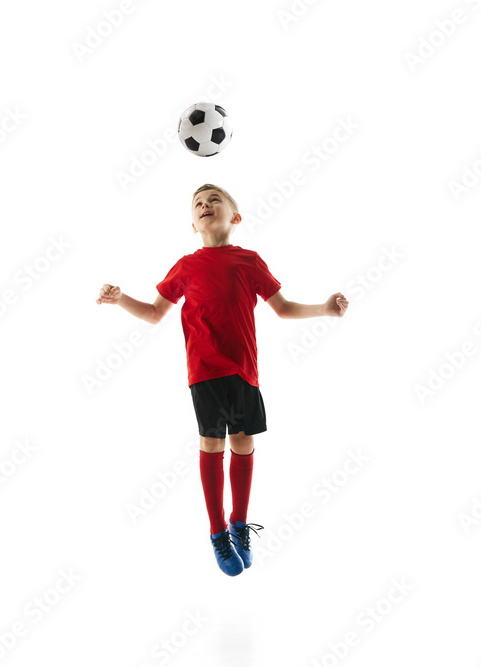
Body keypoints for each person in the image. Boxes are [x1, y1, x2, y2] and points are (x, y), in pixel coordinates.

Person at [96, 183, 348, 576]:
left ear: (235, 216)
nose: (205, 205)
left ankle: (238, 522)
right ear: (193, 224)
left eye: (214, 200)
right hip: (205, 370)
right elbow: (153, 313)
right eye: (198, 204)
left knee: (243, 442)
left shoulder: (249, 261)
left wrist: (324, 309)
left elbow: (282, 308)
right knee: (212, 442)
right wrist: (120, 298)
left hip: (244, 368)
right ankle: (216, 532)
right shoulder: (185, 266)